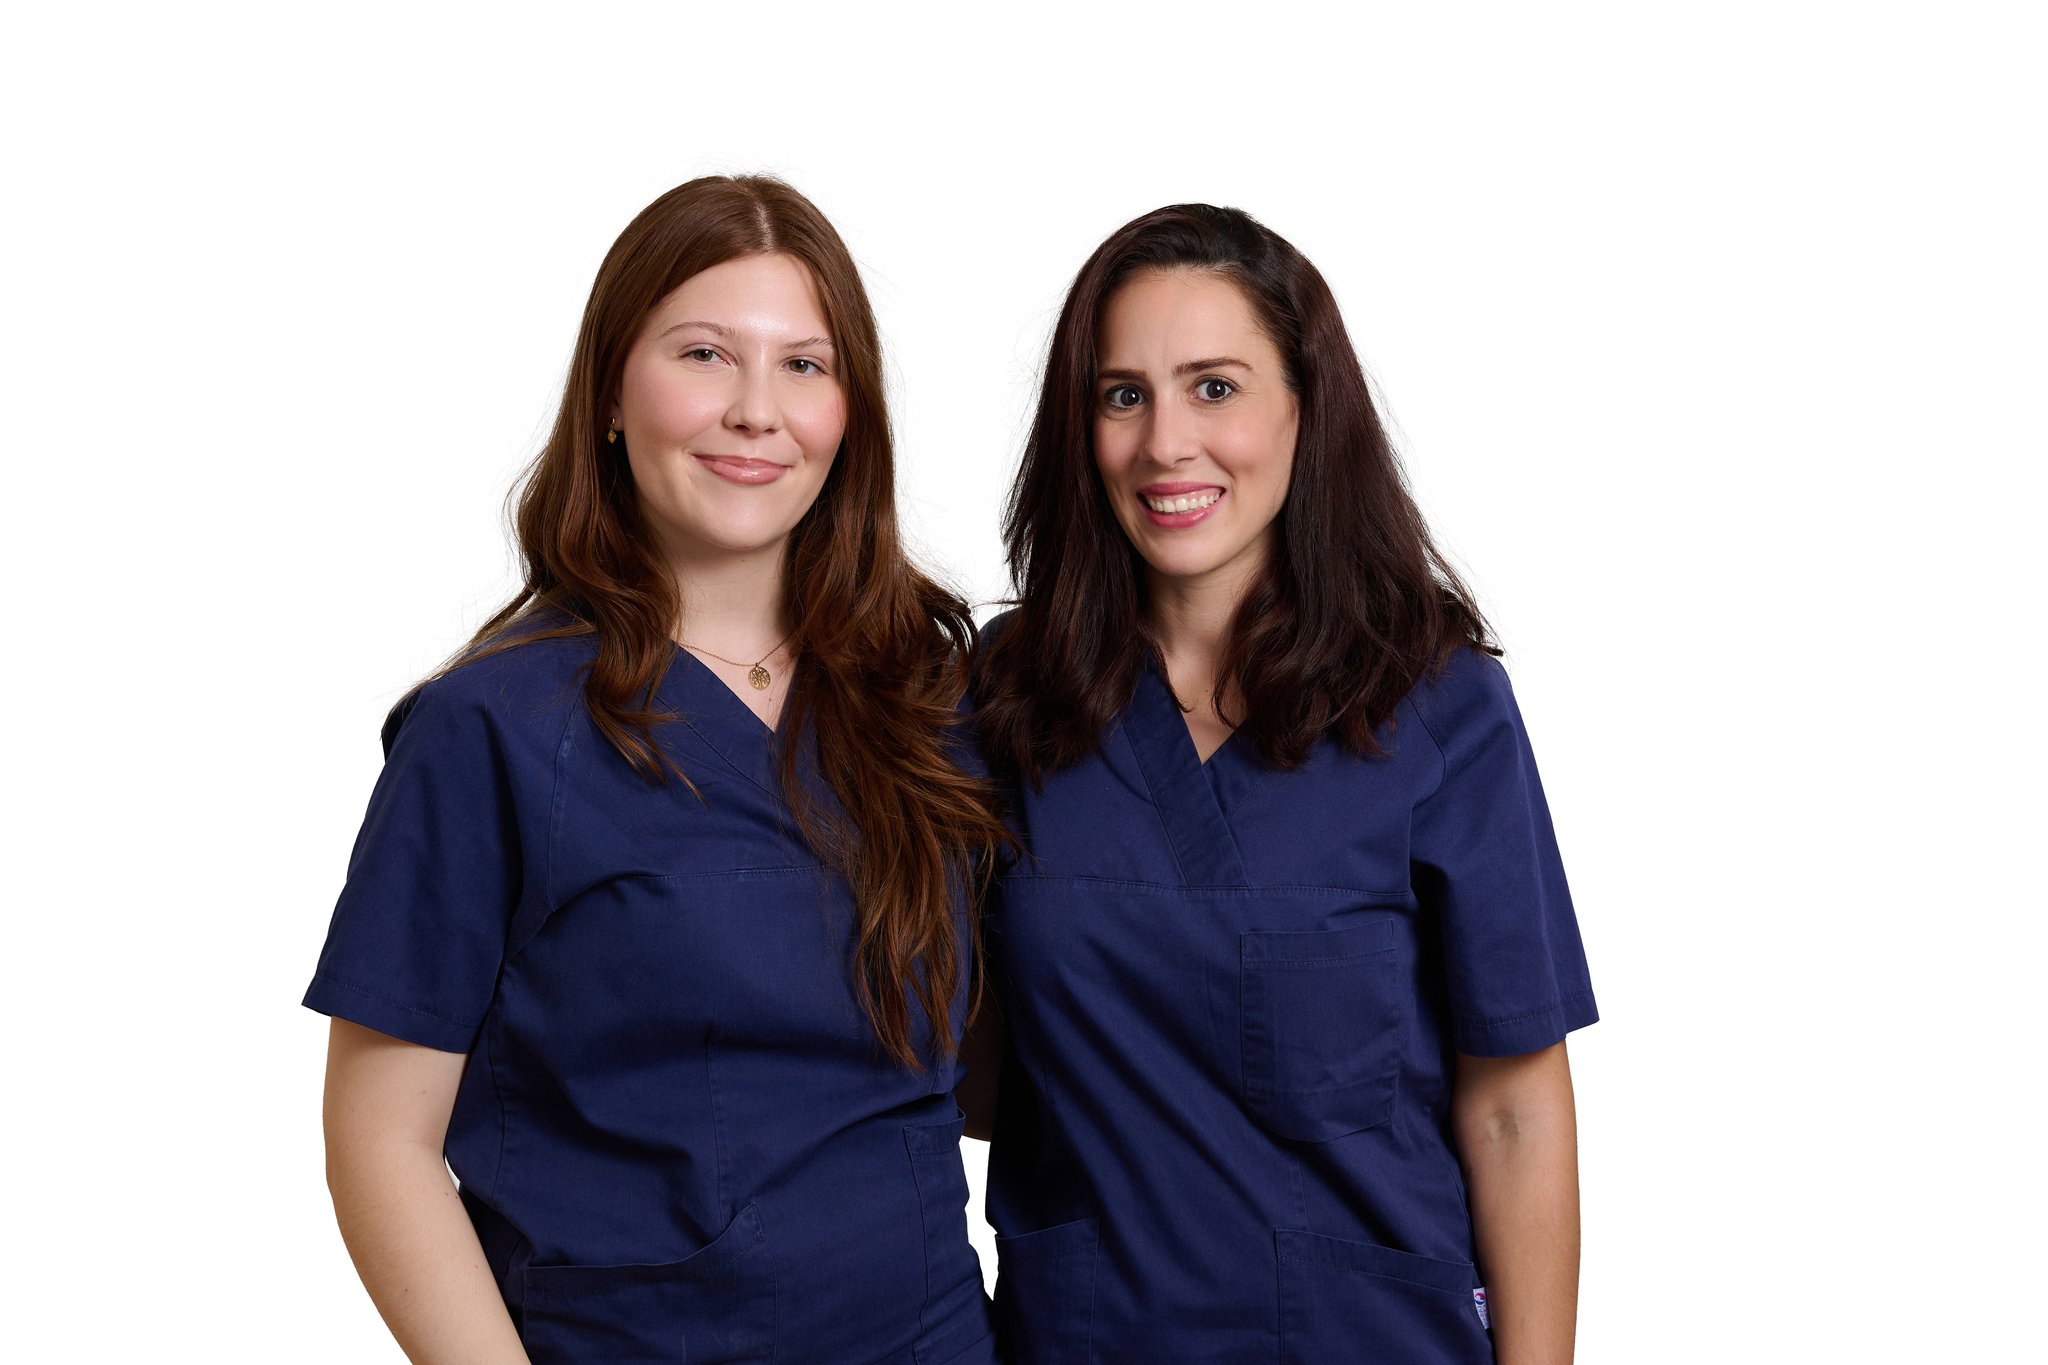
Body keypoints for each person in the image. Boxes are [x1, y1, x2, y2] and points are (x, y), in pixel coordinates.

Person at [307, 175, 1007, 1365]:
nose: (755, 411)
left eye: (804, 365)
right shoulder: (492, 729)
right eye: (702, 354)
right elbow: (380, 1143)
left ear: (850, 413)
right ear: (610, 395)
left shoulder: (923, 701)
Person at [968, 204, 1597, 1363]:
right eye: (1122, 395)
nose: (1165, 444)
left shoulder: (1436, 704)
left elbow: (1513, 1108)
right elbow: (952, 1060)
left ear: (1306, 406)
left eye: (1214, 388)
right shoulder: (1007, 696)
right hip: (1087, 1337)